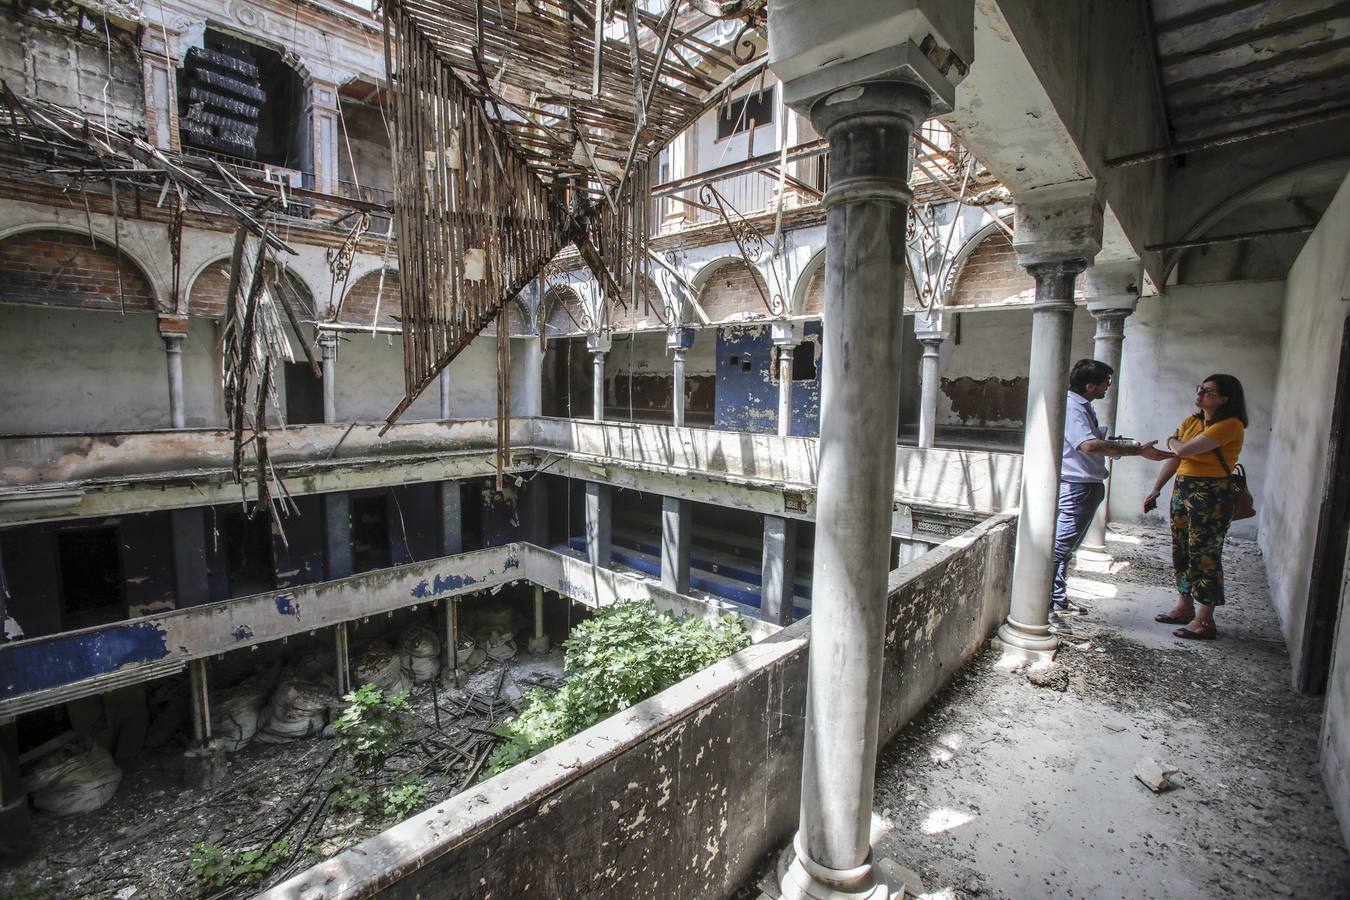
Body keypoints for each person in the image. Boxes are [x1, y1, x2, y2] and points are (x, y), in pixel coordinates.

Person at [1051, 359, 1172, 632]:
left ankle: (1056, 599)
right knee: (1058, 549)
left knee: (1065, 549)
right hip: (1076, 485)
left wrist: (1126, 447)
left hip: (1085, 484)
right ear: (1090, 385)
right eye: (1106, 382)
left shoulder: (1082, 407)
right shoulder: (1072, 408)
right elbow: (1089, 445)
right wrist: (1135, 450)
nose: (1108, 387)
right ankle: (1045, 608)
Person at [1146, 374, 1248, 641]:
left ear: (1225, 398)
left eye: (1209, 391)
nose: (1200, 394)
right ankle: (1184, 606)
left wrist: (1173, 442)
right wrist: (1156, 488)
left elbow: (1184, 450)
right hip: (1184, 488)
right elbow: (1176, 458)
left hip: (1211, 493)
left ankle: (1205, 620)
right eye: (1200, 388)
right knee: (1181, 549)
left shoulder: (1231, 425)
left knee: (1205, 554)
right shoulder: (1193, 421)